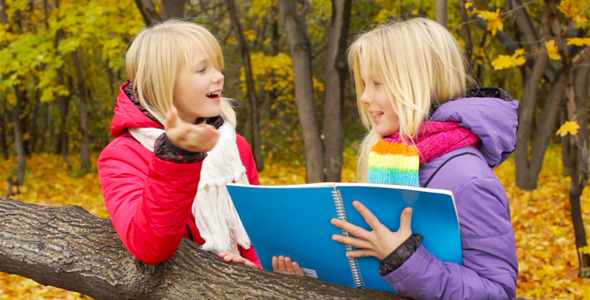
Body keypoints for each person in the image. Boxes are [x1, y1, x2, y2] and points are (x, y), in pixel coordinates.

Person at [330, 18, 519, 299]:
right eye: (363, 84)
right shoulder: (391, 156)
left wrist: (403, 259)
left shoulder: (468, 179)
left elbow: (499, 292)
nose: (365, 97)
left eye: (377, 83)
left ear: (416, 83)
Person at [98, 19, 262, 267]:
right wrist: (177, 157)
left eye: (218, 67)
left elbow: (256, 230)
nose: (219, 76)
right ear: (164, 82)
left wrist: (259, 272)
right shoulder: (121, 156)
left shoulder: (234, 145)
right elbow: (150, 247)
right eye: (202, 70)